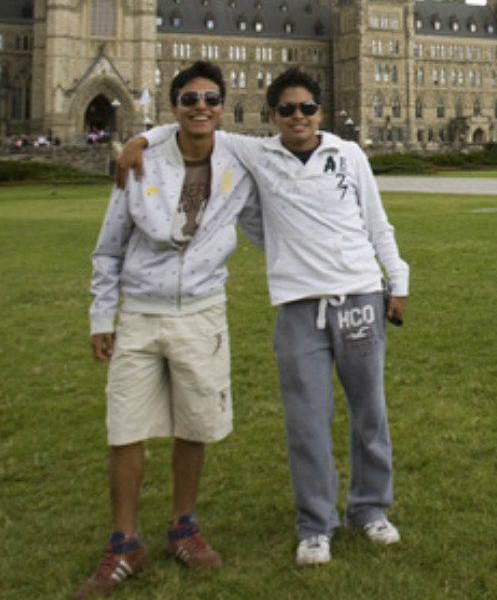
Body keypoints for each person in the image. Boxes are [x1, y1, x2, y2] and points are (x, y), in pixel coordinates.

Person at [124, 68, 409, 567]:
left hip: (361, 294)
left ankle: (370, 508)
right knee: (306, 420)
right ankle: (316, 524)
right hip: (298, 305)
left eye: (307, 108)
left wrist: (397, 280)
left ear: (320, 112)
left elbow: (376, 220)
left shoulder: (350, 154)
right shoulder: (256, 153)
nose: (298, 117)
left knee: (370, 411)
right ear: (271, 115)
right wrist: (141, 136)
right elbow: (197, 121)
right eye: (287, 109)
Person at [75, 61, 259, 600]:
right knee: (124, 427)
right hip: (141, 312)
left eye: (209, 98)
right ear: (174, 106)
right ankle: (124, 541)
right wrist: (100, 316)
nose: (200, 106)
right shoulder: (142, 162)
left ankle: (183, 526)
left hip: (201, 311)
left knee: (193, 423)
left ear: (222, 107)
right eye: (188, 99)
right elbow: (109, 246)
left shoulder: (239, 158)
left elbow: (296, 136)